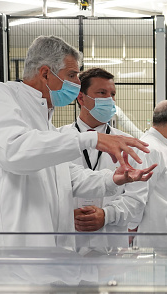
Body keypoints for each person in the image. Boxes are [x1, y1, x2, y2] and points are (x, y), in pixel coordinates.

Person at [0, 36, 156, 249]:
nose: (77, 83)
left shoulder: (44, 120)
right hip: (9, 247)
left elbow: (65, 176)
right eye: (72, 75)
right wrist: (92, 138)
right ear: (46, 73)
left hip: (47, 249)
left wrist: (113, 178)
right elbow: (14, 152)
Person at [67, 68, 148, 249]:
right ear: (81, 98)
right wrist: (65, 214)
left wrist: (107, 215)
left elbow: (137, 199)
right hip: (69, 240)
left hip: (111, 244)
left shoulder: (128, 144)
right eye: (102, 93)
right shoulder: (60, 139)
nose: (110, 100)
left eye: (112, 94)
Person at [126, 100, 167, 248]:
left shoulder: (164, 145)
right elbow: (137, 195)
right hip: (152, 234)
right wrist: (131, 229)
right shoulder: (150, 148)